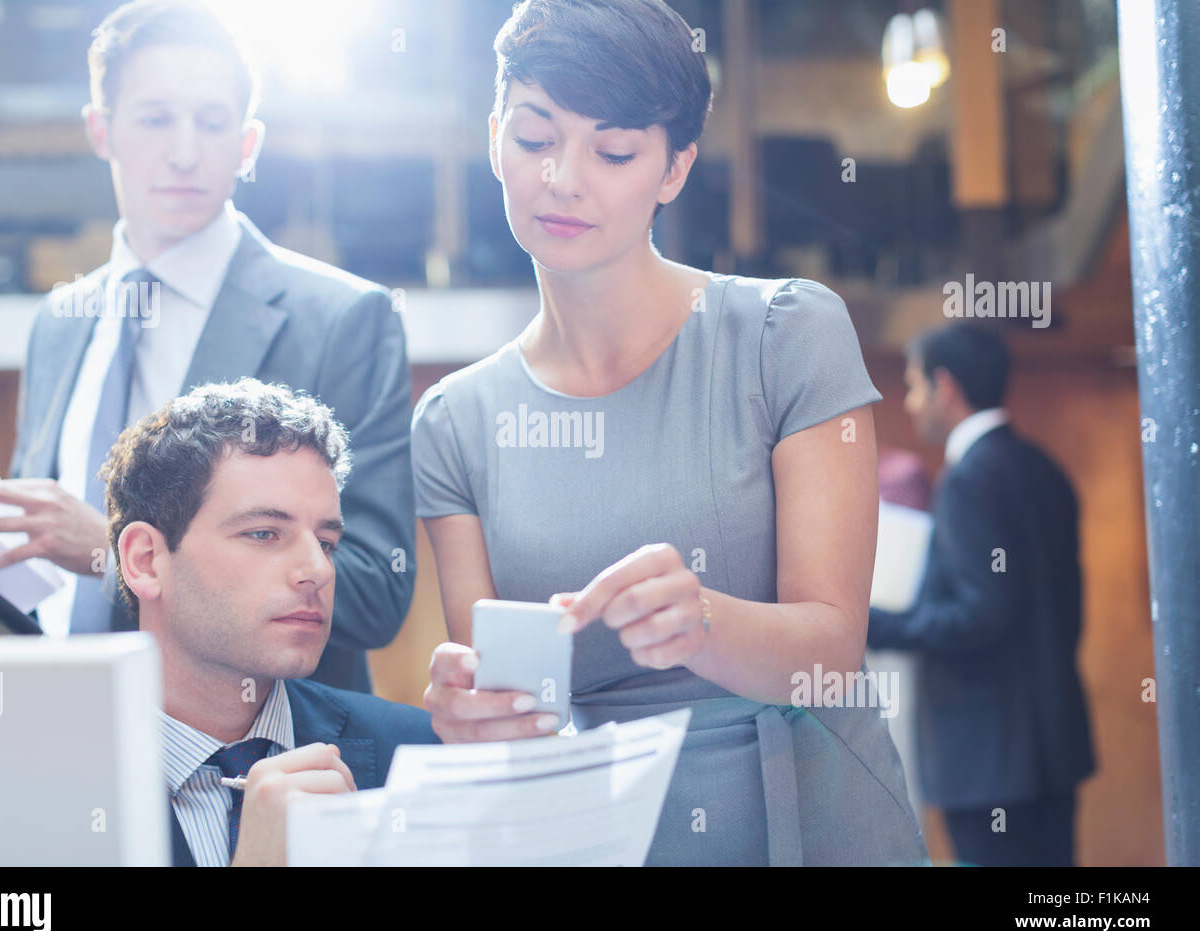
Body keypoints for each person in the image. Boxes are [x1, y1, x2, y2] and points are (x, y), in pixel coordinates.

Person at [411, 0, 926, 865]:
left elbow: (833, 653)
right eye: (536, 139)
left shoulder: (784, 335)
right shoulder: (456, 422)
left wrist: (705, 622)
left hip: (806, 813)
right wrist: (473, 713)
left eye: (613, 151)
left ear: (676, 167)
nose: (563, 179)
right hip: (597, 831)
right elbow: (515, 703)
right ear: (495, 135)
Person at [0, 0, 414, 694]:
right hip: (60, 717)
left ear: (248, 143)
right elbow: (37, 569)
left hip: (249, 752)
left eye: (210, 122)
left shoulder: (341, 319)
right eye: (154, 118)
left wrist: (110, 554)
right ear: (100, 130)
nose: (183, 151)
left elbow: (374, 592)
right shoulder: (62, 319)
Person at [103, 378, 437, 867]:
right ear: (146, 560)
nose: (318, 571)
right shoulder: (37, 783)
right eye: (264, 533)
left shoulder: (418, 758)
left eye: (326, 543)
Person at [866, 322, 1096, 866]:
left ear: (946, 386)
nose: (912, 402)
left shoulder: (969, 478)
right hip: (1052, 747)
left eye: (915, 385)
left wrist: (877, 624)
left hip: (988, 763)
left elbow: (982, 614)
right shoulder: (1044, 468)